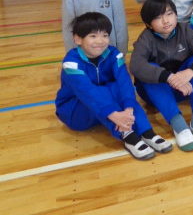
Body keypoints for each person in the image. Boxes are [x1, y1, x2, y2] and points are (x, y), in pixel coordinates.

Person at [55, 12, 172, 161]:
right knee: (100, 90)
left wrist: (128, 109)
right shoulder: (71, 62)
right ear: (78, 39)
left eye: (104, 35)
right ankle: (128, 136)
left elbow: (124, 82)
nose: (100, 41)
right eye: (93, 36)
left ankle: (147, 132)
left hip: (104, 109)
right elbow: (87, 93)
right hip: (76, 111)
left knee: (118, 86)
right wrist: (114, 115)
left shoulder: (113, 53)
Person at [130, 0, 193, 152]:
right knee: (150, 68)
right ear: (148, 24)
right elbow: (136, 64)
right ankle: (179, 125)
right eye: (158, 17)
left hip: (184, 89)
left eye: (169, 14)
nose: (165, 21)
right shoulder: (146, 38)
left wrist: (189, 72)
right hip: (155, 94)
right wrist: (169, 77)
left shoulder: (185, 30)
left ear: (176, 15)